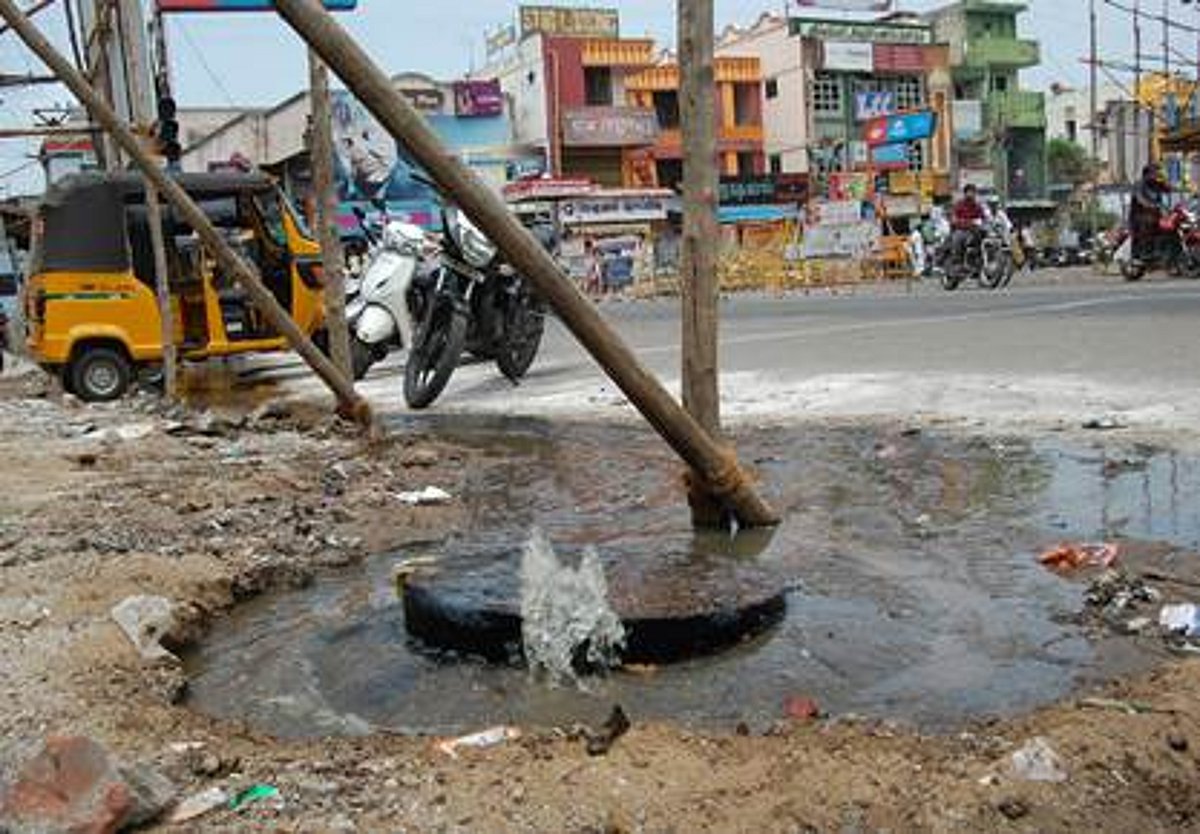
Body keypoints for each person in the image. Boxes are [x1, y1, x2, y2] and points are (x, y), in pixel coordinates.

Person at [1129, 162, 1171, 261]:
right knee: (1150, 222)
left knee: (1168, 225)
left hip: (1155, 214)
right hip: (1139, 216)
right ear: (1147, 174)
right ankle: (1145, 252)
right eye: (1155, 172)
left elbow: (1169, 189)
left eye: (1158, 172)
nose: (1156, 174)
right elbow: (1141, 199)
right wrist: (1151, 205)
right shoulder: (1139, 184)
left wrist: (1164, 179)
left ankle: (1163, 250)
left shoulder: (1156, 184)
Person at [950, 184, 986, 268]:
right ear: (965, 193)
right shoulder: (959, 204)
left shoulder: (977, 206)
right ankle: (957, 262)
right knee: (958, 237)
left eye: (973, 192)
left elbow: (983, 217)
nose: (972, 194)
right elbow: (954, 219)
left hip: (974, 231)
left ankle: (977, 260)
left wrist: (986, 222)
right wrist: (966, 222)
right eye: (970, 192)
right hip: (961, 229)